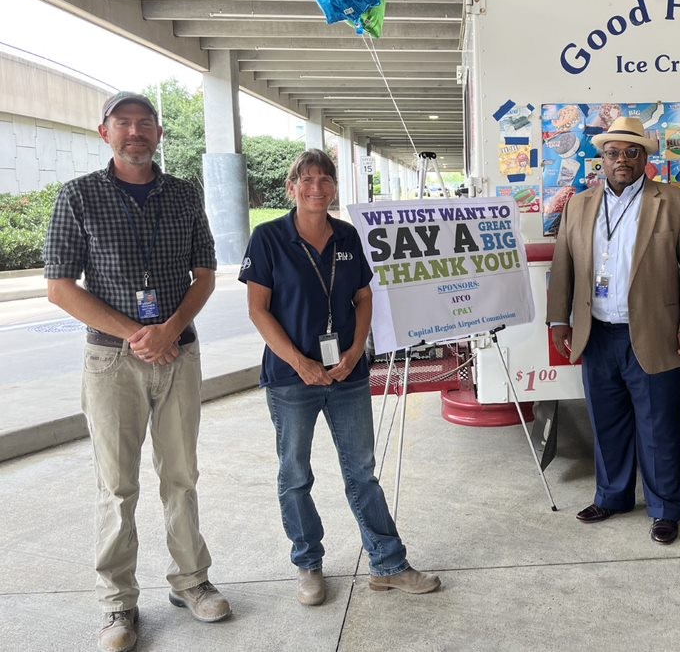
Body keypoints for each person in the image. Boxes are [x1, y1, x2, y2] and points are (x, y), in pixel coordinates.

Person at [43, 91, 230, 652]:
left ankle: (191, 582)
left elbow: (205, 273)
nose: (135, 132)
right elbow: (58, 288)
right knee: (117, 487)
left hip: (179, 353)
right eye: (123, 123)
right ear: (104, 133)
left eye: (145, 123)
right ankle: (117, 604)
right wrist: (138, 334)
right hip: (110, 362)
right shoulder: (77, 197)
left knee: (181, 477)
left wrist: (170, 329)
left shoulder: (183, 194)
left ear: (158, 133)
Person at [238, 149, 439, 605]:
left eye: (324, 179)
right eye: (306, 180)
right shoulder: (268, 237)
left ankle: (387, 564)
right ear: (291, 188)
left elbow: (363, 297)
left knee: (362, 473)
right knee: (295, 475)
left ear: (334, 187)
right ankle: (308, 564)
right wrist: (300, 362)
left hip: (347, 376)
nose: (316, 187)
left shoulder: (348, 235)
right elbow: (258, 310)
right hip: (292, 380)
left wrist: (354, 351)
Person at [546, 117, 680, 545]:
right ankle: (613, 496)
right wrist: (559, 319)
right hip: (597, 333)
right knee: (607, 423)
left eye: (632, 152)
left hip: (655, 332)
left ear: (646, 157)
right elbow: (562, 268)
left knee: (660, 427)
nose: (622, 160)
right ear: (601, 159)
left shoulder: (676, 203)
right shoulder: (578, 205)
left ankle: (664, 509)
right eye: (614, 152)